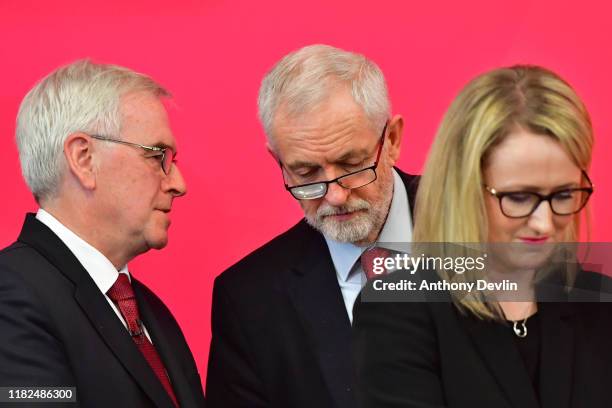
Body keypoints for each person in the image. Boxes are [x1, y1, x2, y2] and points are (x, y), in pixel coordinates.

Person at [353, 65, 612, 407]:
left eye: (564, 195)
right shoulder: (400, 310)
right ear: (464, 190)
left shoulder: (599, 302)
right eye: (519, 198)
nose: (545, 223)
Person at [205, 44, 419, 408]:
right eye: (306, 173)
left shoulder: (487, 226)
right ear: (279, 162)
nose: (334, 195)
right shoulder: (249, 300)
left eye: (352, 164)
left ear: (392, 139)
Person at [0, 60, 206, 408]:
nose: (178, 184)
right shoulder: (11, 297)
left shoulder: (147, 311)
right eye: (158, 157)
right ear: (84, 159)